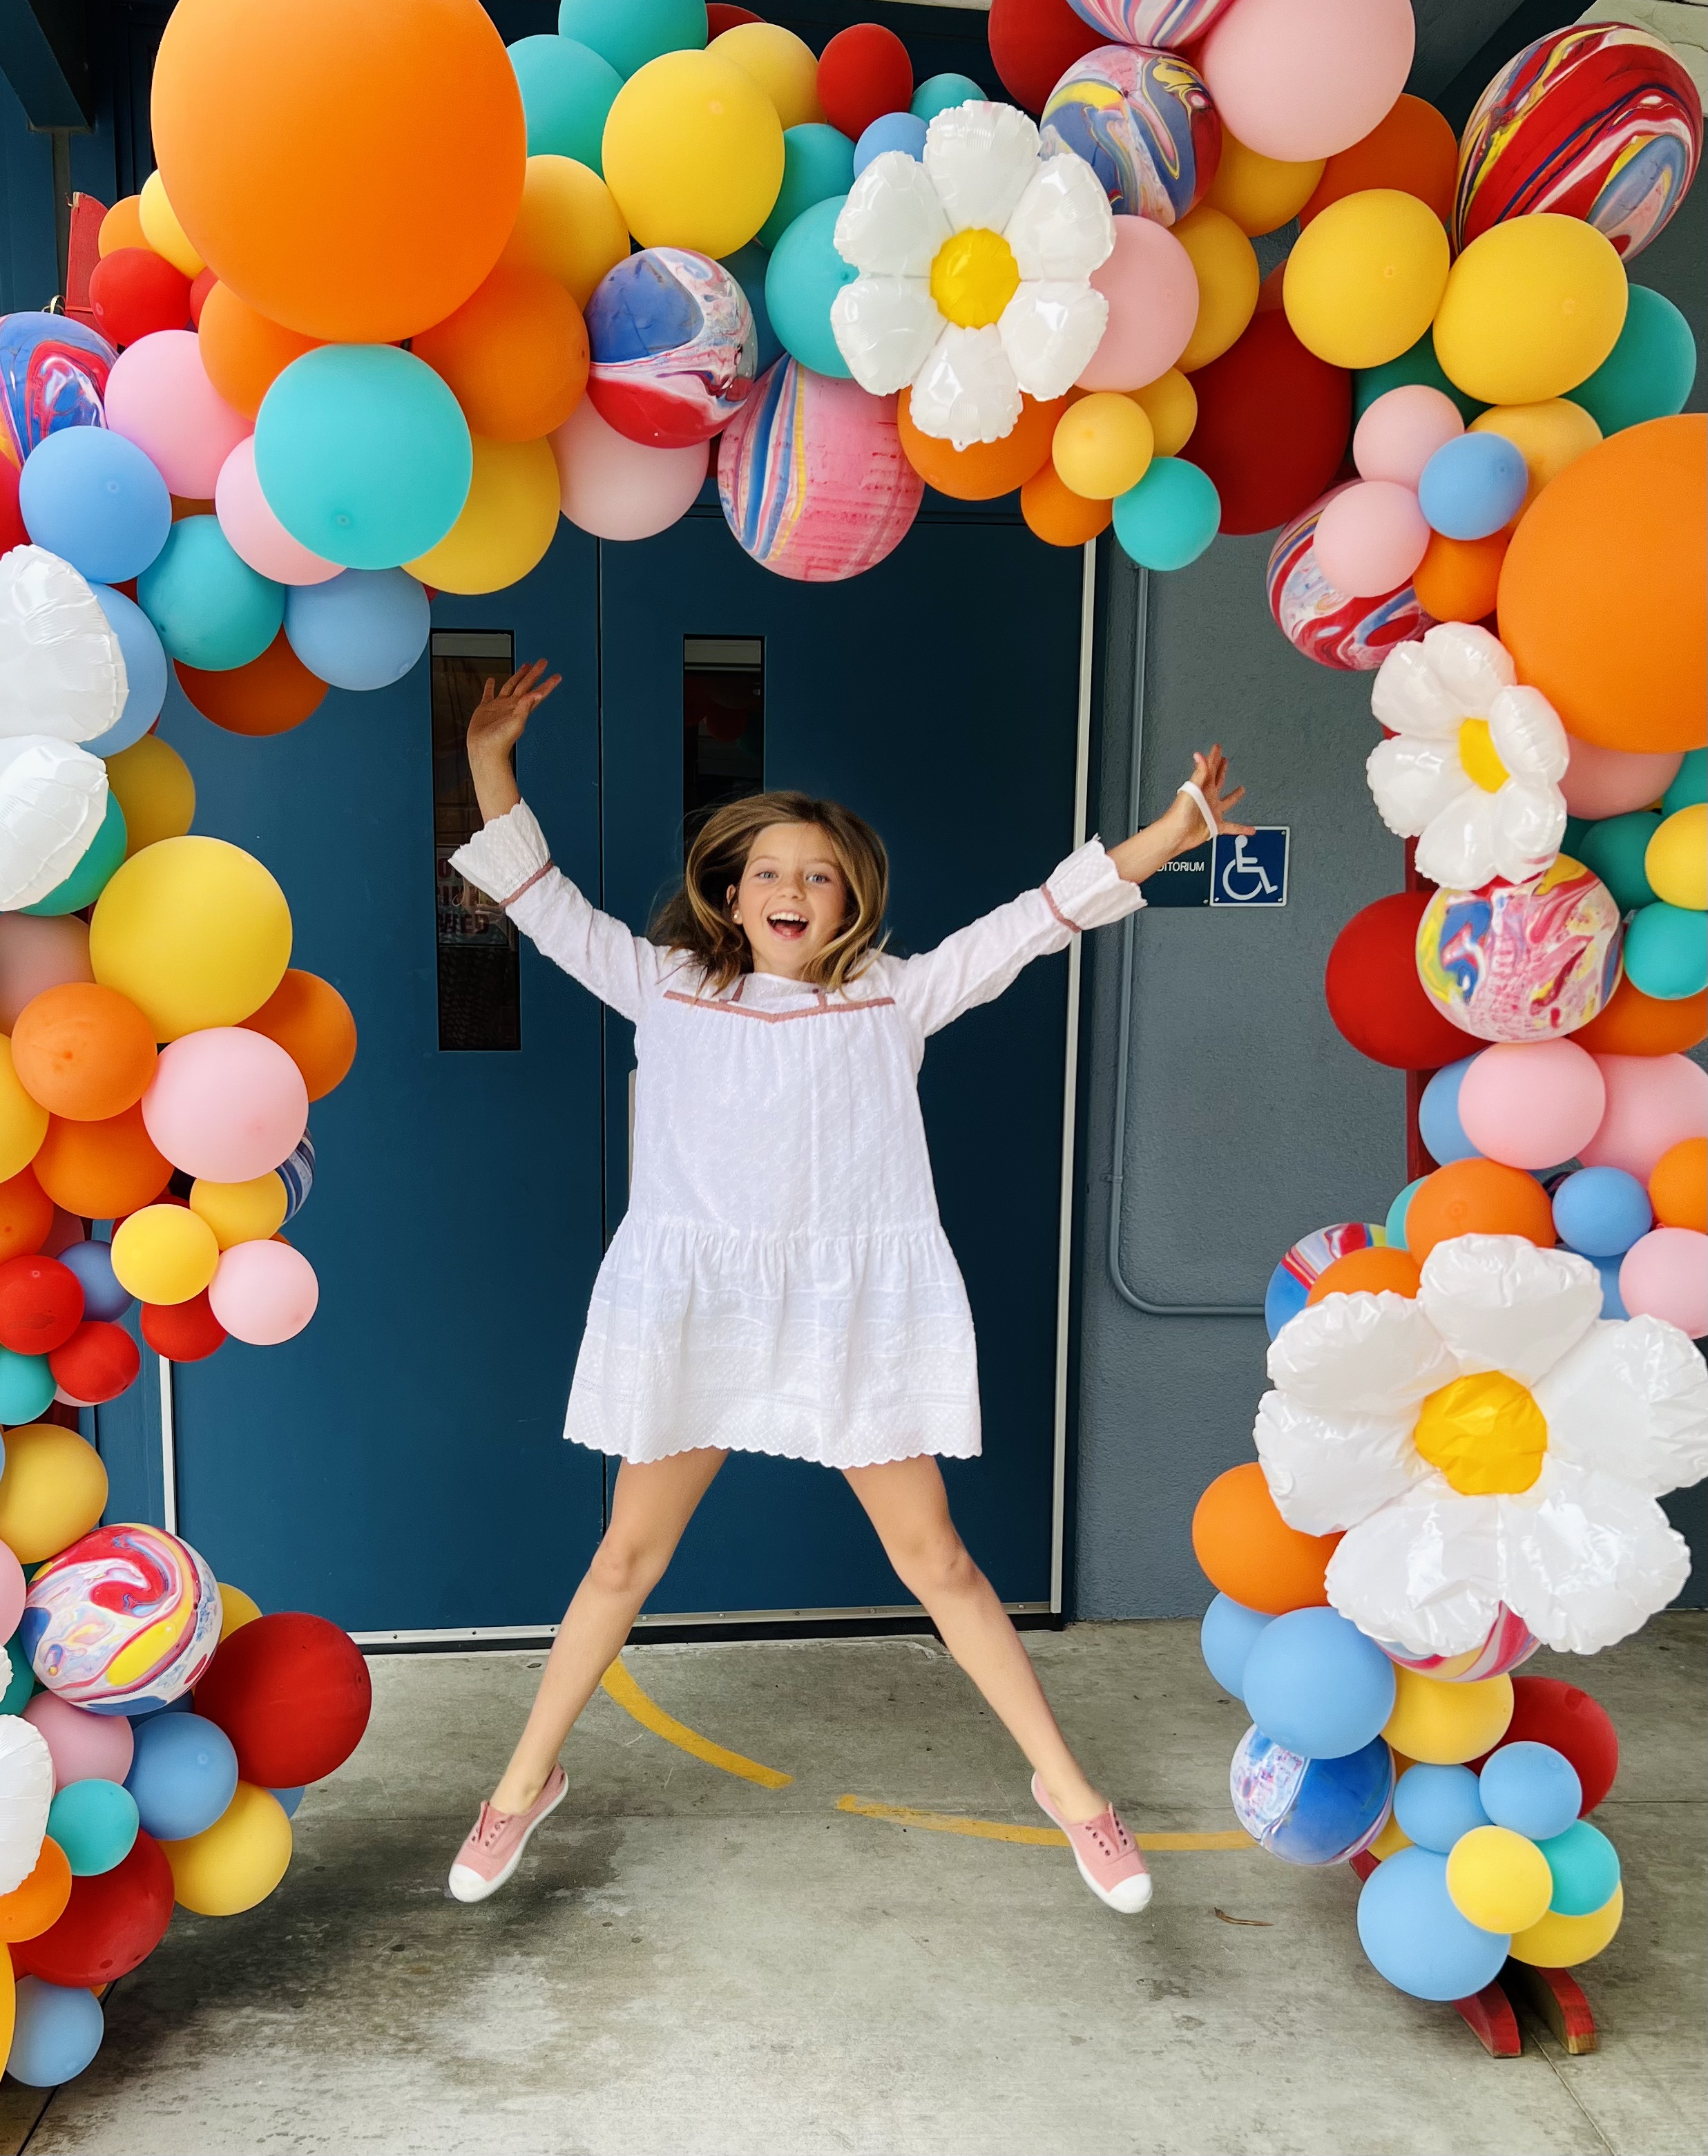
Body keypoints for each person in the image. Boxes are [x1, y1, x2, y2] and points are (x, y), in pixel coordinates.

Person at [446, 660, 1251, 1913]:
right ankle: (520, 1783)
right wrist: (489, 759)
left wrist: (1165, 834)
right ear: (728, 891)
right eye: (768, 869)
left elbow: (1035, 920)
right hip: (702, 1310)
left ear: (850, 901)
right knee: (622, 1561)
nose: (791, 888)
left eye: (818, 874)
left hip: (850, 1317)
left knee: (941, 1563)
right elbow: (540, 901)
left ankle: (1070, 1791)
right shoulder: (664, 982)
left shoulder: (895, 994)